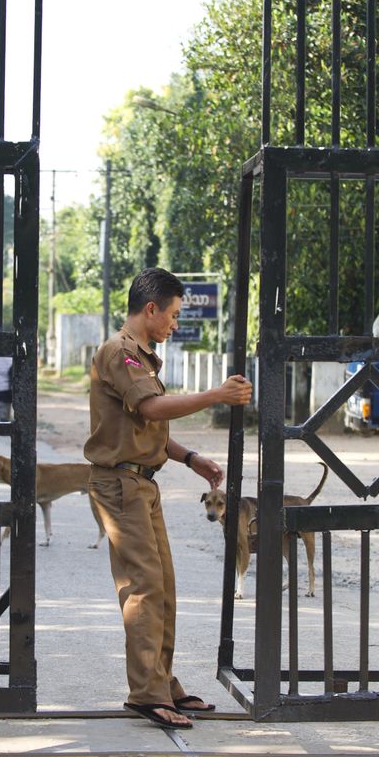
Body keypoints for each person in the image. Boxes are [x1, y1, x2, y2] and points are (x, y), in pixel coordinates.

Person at [83, 267, 253, 730]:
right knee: (144, 586)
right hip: (119, 485)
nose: (175, 325)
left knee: (164, 587)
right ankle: (147, 693)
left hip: (142, 482)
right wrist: (217, 395)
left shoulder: (142, 357)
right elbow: (153, 408)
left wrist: (189, 457)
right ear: (151, 309)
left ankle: (163, 684)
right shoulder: (119, 352)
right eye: (173, 315)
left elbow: (146, 427)